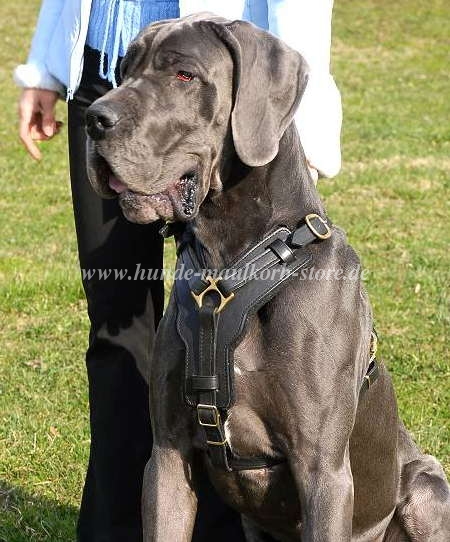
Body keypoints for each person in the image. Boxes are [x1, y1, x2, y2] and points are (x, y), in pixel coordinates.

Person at [15, 1, 341, 540]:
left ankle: (223, 526)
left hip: (218, 90)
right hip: (104, 71)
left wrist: (287, 115)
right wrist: (46, 68)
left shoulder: (239, 67)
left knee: (245, 334)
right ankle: (115, 526)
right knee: (118, 325)